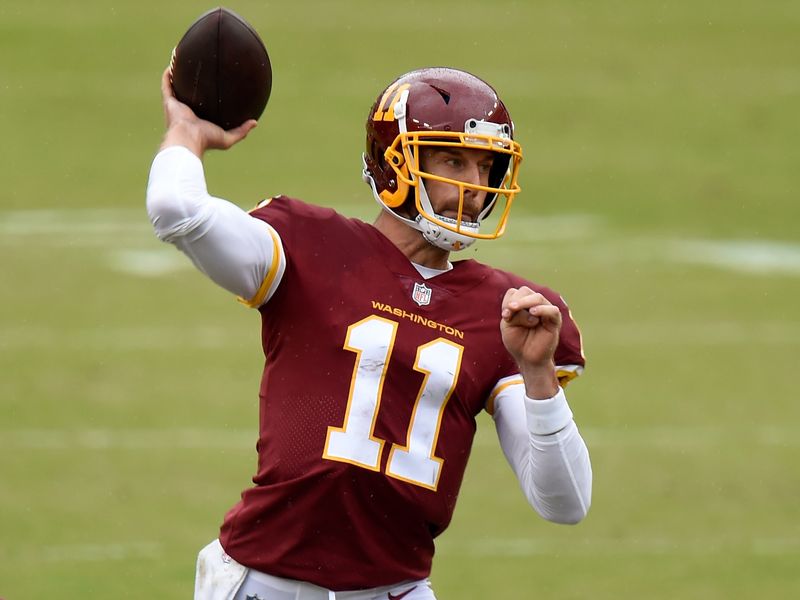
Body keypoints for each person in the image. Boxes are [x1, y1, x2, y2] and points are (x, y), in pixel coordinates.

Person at [147, 65, 592, 600]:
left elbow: (565, 504)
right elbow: (176, 210)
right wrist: (186, 134)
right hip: (262, 583)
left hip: (395, 590)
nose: (473, 187)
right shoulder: (309, 246)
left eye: (486, 167)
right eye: (454, 160)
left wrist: (538, 373)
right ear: (395, 162)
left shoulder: (506, 312)